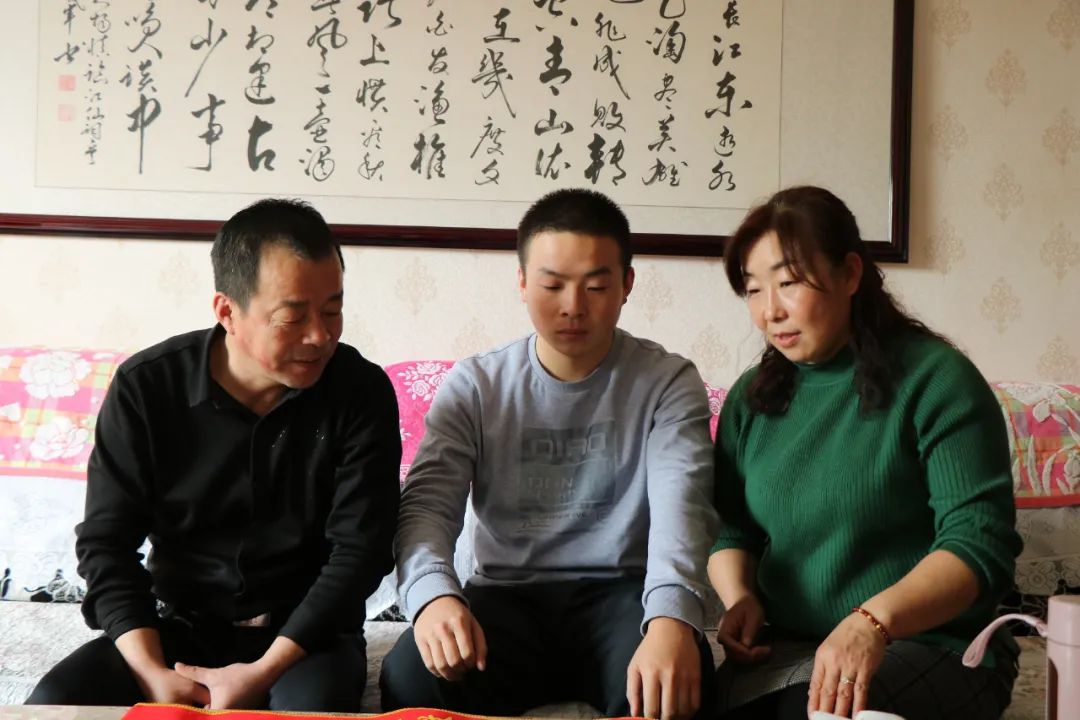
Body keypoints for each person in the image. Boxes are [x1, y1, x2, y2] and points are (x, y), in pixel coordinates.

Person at [26, 198, 401, 711]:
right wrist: (152, 674)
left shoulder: (360, 392)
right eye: (293, 317)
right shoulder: (147, 388)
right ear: (227, 311)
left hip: (306, 638)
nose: (320, 335)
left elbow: (361, 551)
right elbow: (106, 545)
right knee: (55, 703)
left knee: (309, 709)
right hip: (177, 627)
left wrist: (261, 672)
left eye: (332, 310)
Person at [380, 188, 718, 720]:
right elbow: (427, 506)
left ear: (627, 285)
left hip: (622, 598)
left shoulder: (666, 382)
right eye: (552, 285)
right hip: (507, 598)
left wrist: (671, 619)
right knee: (408, 676)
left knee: (679, 686)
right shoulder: (477, 385)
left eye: (596, 286)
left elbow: (684, 508)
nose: (573, 306)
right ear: (521, 283)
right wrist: (432, 595)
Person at [708, 186, 1021, 719]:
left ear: (850, 274)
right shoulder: (752, 398)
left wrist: (872, 621)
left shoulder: (936, 381)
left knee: (816, 712)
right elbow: (732, 528)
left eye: (788, 283)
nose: (769, 311)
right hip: (793, 646)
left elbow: (978, 545)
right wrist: (741, 596)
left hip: (935, 644)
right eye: (754, 290)